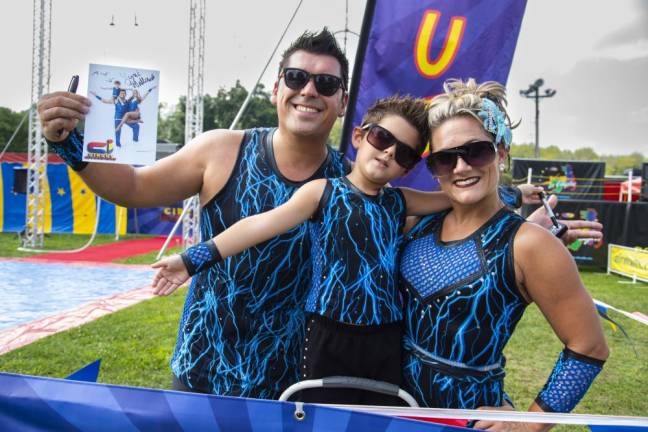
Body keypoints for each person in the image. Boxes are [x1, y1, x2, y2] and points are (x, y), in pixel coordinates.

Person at [36, 28, 602, 399]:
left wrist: (529, 217)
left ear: (340, 102)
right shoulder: (223, 150)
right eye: (297, 78)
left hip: (305, 378)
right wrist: (73, 147)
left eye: (326, 83)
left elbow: (460, 209)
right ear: (279, 88)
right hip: (207, 367)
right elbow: (134, 186)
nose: (309, 90)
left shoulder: (369, 190)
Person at [151, 96, 453, 404]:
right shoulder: (322, 192)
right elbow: (258, 225)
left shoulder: (400, 201)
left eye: (404, 153)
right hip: (326, 335)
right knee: (320, 420)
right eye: (382, 138)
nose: (389, 151)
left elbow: (454, 196)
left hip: (385, 337)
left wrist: (496, 188)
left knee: (378, 421)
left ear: (408, 168)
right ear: (359, 136)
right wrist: (192, 259)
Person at [398, 79, 609, 430]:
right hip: (392, 411)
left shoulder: (530, 244)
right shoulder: (418, 223)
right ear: (433, 169)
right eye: (445, 158)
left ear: (501, 152)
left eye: (476, 151)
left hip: (467, 419)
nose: (461, 167)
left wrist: (527, 424)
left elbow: (589, 346)